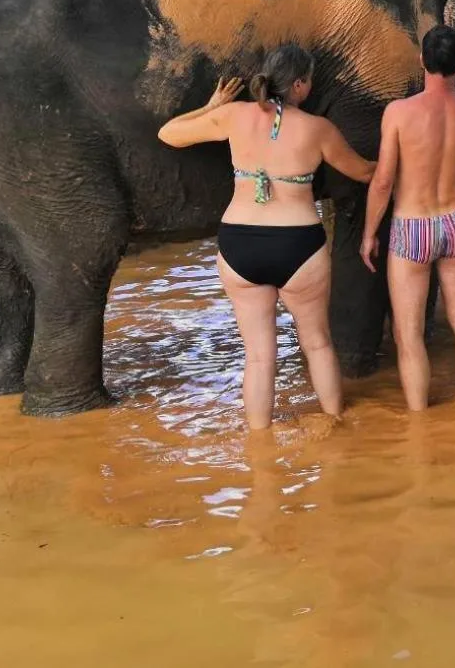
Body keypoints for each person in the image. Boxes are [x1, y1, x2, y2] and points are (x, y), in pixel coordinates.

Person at [157, 44, 375, 430]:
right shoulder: (318, 129)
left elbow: (168, 134)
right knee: (318, 344)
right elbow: (364, 173)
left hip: (240, 244)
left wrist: (211, 106)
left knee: (258, 356)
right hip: (299, 245)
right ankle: (336, 425)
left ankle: (259, 451)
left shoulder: (232, 116)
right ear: (300, 84)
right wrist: (404, 153)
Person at [361, 25, 455, 410]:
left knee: (409, 332)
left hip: (413, 225)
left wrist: (368, 234)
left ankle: (419, 424)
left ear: (421, 61)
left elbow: (383, 181)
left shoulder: (398, 112)